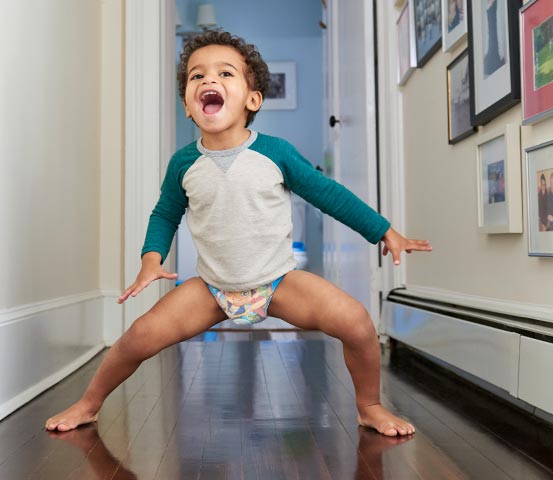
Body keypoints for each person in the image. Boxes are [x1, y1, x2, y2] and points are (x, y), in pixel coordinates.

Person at [45, 31, 431, 437]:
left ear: (252, 99)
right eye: (197, 77)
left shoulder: (276, 153)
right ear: (188, 107)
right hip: (212, 287)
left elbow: (327, 195)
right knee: (137, 338)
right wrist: (150, 261)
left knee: (356, 322)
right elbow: (165, 215)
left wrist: (383, 230)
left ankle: (369, 406)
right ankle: (89, 403)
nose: (208, 80)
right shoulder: (184, 163)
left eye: (224, 73)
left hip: (279, 281)